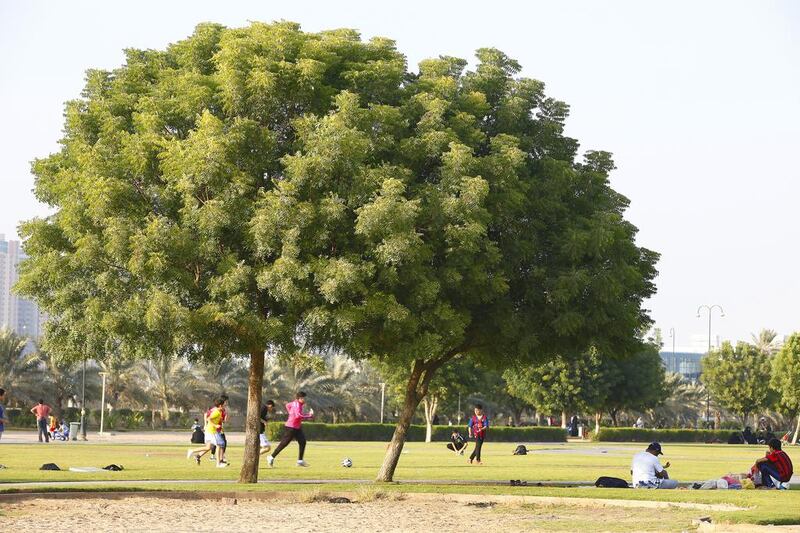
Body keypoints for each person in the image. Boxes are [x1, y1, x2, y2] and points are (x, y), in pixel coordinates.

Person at [266, 392, 314, 467]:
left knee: (302, 442)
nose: (305, 399)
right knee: (284, 443)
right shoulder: (297, 405)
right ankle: (271, 457)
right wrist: (309, 416)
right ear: (300, 398)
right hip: (291, 427)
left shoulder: (295, 403)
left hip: (296, 427)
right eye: (304, 398)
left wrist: (291, 413)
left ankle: (300, 461)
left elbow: (287, 405)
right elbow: (298, 416)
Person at [187, 398, 228, 467]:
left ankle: (192, 451)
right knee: (220, 444)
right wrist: (215, 425)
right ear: (220, 405)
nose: (225, 406)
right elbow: (208, 418)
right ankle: (219, 463)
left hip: (211, 431)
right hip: (212, 431)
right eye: (224, 405)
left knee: (208, 447)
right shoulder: (216, 412)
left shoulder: (219, 411)